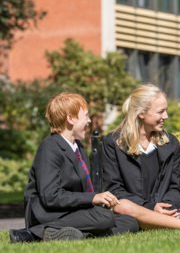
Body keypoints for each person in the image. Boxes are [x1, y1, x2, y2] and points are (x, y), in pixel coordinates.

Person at [102, 84, 180, 231]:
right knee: (122, 205)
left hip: (166, 211)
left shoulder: (171, 143)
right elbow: (114, 190)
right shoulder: (113, 142)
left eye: (166, 111)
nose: (166, 116)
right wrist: (151, 207)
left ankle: (161, 224)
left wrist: (168, 205)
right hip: (135, 210)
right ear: (141, 113)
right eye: (161, 112)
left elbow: (173, 187)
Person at [9, 93, 118, 243]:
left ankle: (69, 233)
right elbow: (50, 196)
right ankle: (33, 233)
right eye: (85, 116)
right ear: (70, 118)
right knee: (105, 218)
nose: (89, 120)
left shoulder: (78, 147)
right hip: (50, 214)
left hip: (72, 212)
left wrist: (99, 200)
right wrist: (92, 198)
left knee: (127, 221)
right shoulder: (50, 147)